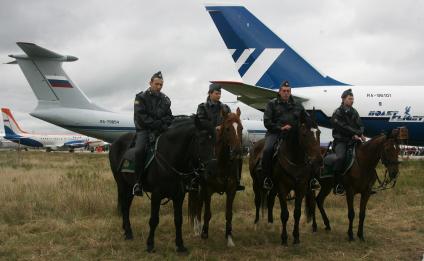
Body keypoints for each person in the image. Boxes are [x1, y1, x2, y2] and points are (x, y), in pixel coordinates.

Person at [197, 83, 245, 191]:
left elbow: (228, 121)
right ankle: (196, 179)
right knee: (197, 154)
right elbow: (201, 122)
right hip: (207, 138)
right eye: (216, 93)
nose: (219, 95)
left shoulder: (225, 107)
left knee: (237, 154)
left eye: (220, 93)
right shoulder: (202, 107)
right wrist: (214, 128)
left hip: (221, 139)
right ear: (210, 93)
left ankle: (237, 180)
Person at [132, 71, 173, 196]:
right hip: (144, 130)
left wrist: (163, 124)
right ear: (150, 83)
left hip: (160, 130)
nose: (159, 87)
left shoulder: (165, 100)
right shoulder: (141, 98)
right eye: (157, 84)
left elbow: (169, 117)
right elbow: (141, 117)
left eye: (161, 85)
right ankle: (138, 182)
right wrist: (158, 123)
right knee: (139, 150)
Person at [262, 81, 305, 190]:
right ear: (279, 92)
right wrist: (280, 128)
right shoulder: (272, 104)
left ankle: (311, 179)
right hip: (275, 133)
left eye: (288, 91)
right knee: (267, 150)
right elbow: (267, 122)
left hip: (293, 135)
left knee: (308, 149)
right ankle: (267, 178)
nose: (286, 93)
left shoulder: (298, 105)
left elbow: (305, 118)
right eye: (284, 91)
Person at [331, 88, 365, 195]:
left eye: (352, 99)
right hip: (341, 142)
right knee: (340, 158)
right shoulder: (337, 112)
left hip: (354, 140)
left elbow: (361, 125)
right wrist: (355, 134)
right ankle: (337, 184)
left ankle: (366, 183)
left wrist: (361, 133)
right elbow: (343, 127)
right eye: (350, 99)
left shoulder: (354, 112)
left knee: (366, 155)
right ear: (343, 99)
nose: (352, 101)